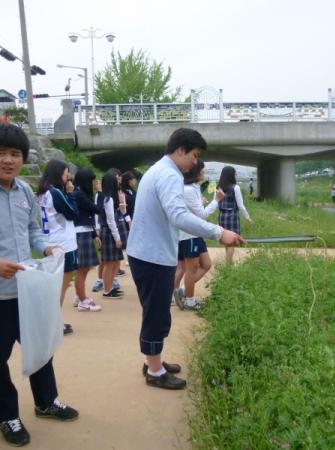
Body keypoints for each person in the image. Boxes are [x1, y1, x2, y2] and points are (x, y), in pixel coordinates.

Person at [0, 124, 78, 447]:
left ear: (23, 158)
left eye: (15, 154)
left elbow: (32, 231)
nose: (8, 160)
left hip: (25, 289)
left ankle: (46, 401)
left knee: (40, 348)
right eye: (1, 153)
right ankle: (7, 415)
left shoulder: (24, 193)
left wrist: (45, 247)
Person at [127, 128, 245, 390]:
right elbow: (179, 216)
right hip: (153, 256)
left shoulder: (157, 170)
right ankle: (155, 372)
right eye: (194, 155)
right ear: (180, 150)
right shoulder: (169, 174)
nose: (195, 161)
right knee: (157, 315)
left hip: (145, 252)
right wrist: (219, 232)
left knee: (154, 311)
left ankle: (153, 361)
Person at [173, 160, 224, 311]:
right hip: (189, 235)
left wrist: (202, 201)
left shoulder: (193, 188)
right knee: (191, 269)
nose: (204, 173)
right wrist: (216, 201)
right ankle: (189, 300)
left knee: (206, 264)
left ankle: (182, 291)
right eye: (202, 170)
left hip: (195, 233)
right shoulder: (188, 190)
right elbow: (201, 215)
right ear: (196, 172)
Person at [37, 160, 80, 332]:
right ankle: (54, 325)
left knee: (55, 286)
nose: (68, 176)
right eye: (65, 173)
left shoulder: (44, 192)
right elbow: (73, 213)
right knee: (61, 287)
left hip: (50, 241)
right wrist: (70, 193)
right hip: (64, 245)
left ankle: (51, 322)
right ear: (58, 174)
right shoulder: (56, 192)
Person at [71, 168, 103, 312]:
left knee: (83, 268)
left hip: (84, 232)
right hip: (81, 234)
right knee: (82, 269)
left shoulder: (79, 193)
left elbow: (87, 215)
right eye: (91, 180)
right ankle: (83, 301)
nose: (93, 183)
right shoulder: (79, 194)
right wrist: (100, 193)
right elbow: (97, 209)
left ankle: (79, 296)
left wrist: (94, 235)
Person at [97, 169, 127, 299]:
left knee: (114, 262)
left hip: (109, 232)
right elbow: (110, 220)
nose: (119, 181)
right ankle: (107, 290)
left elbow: (122, 213)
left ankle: (110, 287)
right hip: (109, 232)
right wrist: (117, 238)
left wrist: (122, 203)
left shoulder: (110, 198)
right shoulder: (107, 199)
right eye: (117, 179)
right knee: (109, 263)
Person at [217, 166, 253, 264]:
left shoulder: (218, 188)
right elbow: (240, 205)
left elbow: (216, 203)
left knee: (226, 239)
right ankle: (229, 264)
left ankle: (228, 262)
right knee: (232, 242)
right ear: (232, 175)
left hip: (222, 216)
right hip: (232, 216)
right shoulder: (235, 187)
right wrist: (248, 218)